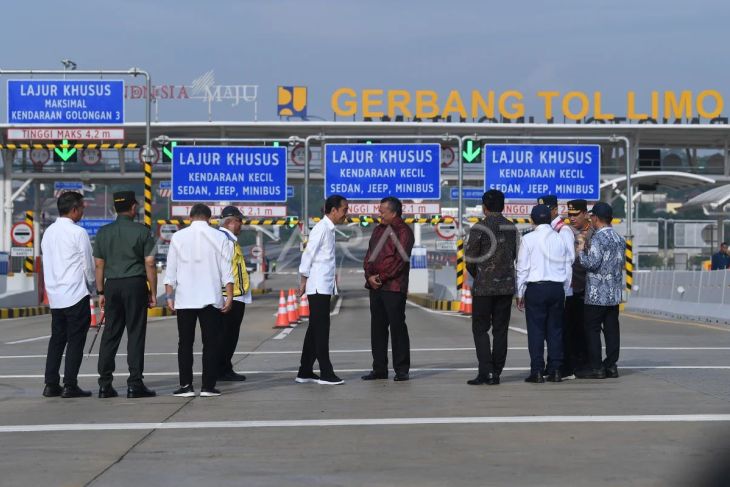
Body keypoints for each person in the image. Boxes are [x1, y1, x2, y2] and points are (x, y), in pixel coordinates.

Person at [164, 204, 234, 397]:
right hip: (211, 298)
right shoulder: (220, 236)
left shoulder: (178, 237)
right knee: (210, 343)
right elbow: (226, 271)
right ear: (210, 219)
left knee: (184, 343)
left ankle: (186, 385)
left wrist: (170, 296)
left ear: (190, 217)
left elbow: (170, 272)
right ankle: (208, 386)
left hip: (185, 299)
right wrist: (229, 296)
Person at [94, 191, 157, 399]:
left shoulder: (103, 233)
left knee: (110, 333)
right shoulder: (142, 231)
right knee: (135, 333)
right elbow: (149, 263)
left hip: (112, 286)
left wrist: (101, 291)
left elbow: (99, 264)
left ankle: (104, 384)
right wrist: (153, 292)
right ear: (132, 208)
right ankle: (134, 384)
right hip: (135, 284)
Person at [41, 191, 96, 398]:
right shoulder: (78, 232)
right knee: (75, 340)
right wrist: (93, 287)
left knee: (57, 339)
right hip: (75, 293)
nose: (82, 212)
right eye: (81, 208)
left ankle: (51, 383)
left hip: (56, 296)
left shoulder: (49, 232)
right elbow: (88, 264)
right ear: (74, 210)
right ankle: (70, 385)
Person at [464, 189, 518, 386]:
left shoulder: (479, 227)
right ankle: (496, 372)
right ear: (503, 206)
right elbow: (514, 255)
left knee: (480, 329)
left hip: (484, 288)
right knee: (500, 331)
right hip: (506, 287)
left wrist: (481, 275)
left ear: (484, 207)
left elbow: (470, 259)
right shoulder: (512, 227)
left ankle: (485, 371)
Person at [296, 194, 349, 386]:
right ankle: (326, 373)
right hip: (317, 286)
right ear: (333, 210)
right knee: (321, 330)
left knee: (314, 329)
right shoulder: (321, 229)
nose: (346, 214)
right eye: (344, 210)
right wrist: (303, 280)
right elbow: (308, 253)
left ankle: (305, 371)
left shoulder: (329, 229)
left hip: (323, 285)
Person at [516, 204, 573, 383]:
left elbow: (522, 268)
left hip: (536, 288)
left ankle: (537, 371)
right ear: (550, 218)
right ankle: (556, 370)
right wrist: (564, 290)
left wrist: (519, 292)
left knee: (536, 331)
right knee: (555, 330)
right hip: (556, 288)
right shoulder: (560, 238)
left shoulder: (528, 239)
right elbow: (567, 266)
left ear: (532, 220)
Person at [362, 196, 415, 382]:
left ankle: (401, 370)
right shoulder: (378, 230)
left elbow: (400, 261)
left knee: (397, 327)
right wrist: (369, 275)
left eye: (382, 210)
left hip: (394, 287)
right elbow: (369, 256)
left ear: (394, 212)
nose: (379, 213)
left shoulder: (404, 232)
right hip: (375, 287)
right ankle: (379, 369)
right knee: (377, 328)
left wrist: (381, 277)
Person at [577, 202, 626, 379]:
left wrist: (581, 250)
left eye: (592, 216)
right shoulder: (619, 239)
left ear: (596, 218)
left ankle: (597, 367)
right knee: (612, 329)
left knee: (593, 330)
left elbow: (592, 263)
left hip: (597, 294)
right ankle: (611, 365)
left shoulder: (598, 238)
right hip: (613, 294)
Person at [217, 206, 251, 382]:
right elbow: (224, 270)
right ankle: (222, 369)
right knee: (227, 335)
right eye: (240, 221)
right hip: (231, 295)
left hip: (234, 294)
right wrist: (228, 295)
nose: (241, 225)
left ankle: (224, 367)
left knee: (228, 334)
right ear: (231, 221)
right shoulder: (226, 241)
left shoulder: (228, 239)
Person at [562, 199, 594, 379]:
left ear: (585, 214)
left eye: (575, 215)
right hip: (572, 288)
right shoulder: (567, 232)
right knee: (570, 328)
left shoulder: (594, 232)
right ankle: (572, 364)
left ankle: (586, 364)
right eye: (569, 215)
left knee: (586, 329)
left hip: (589, 288)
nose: (572, 218)